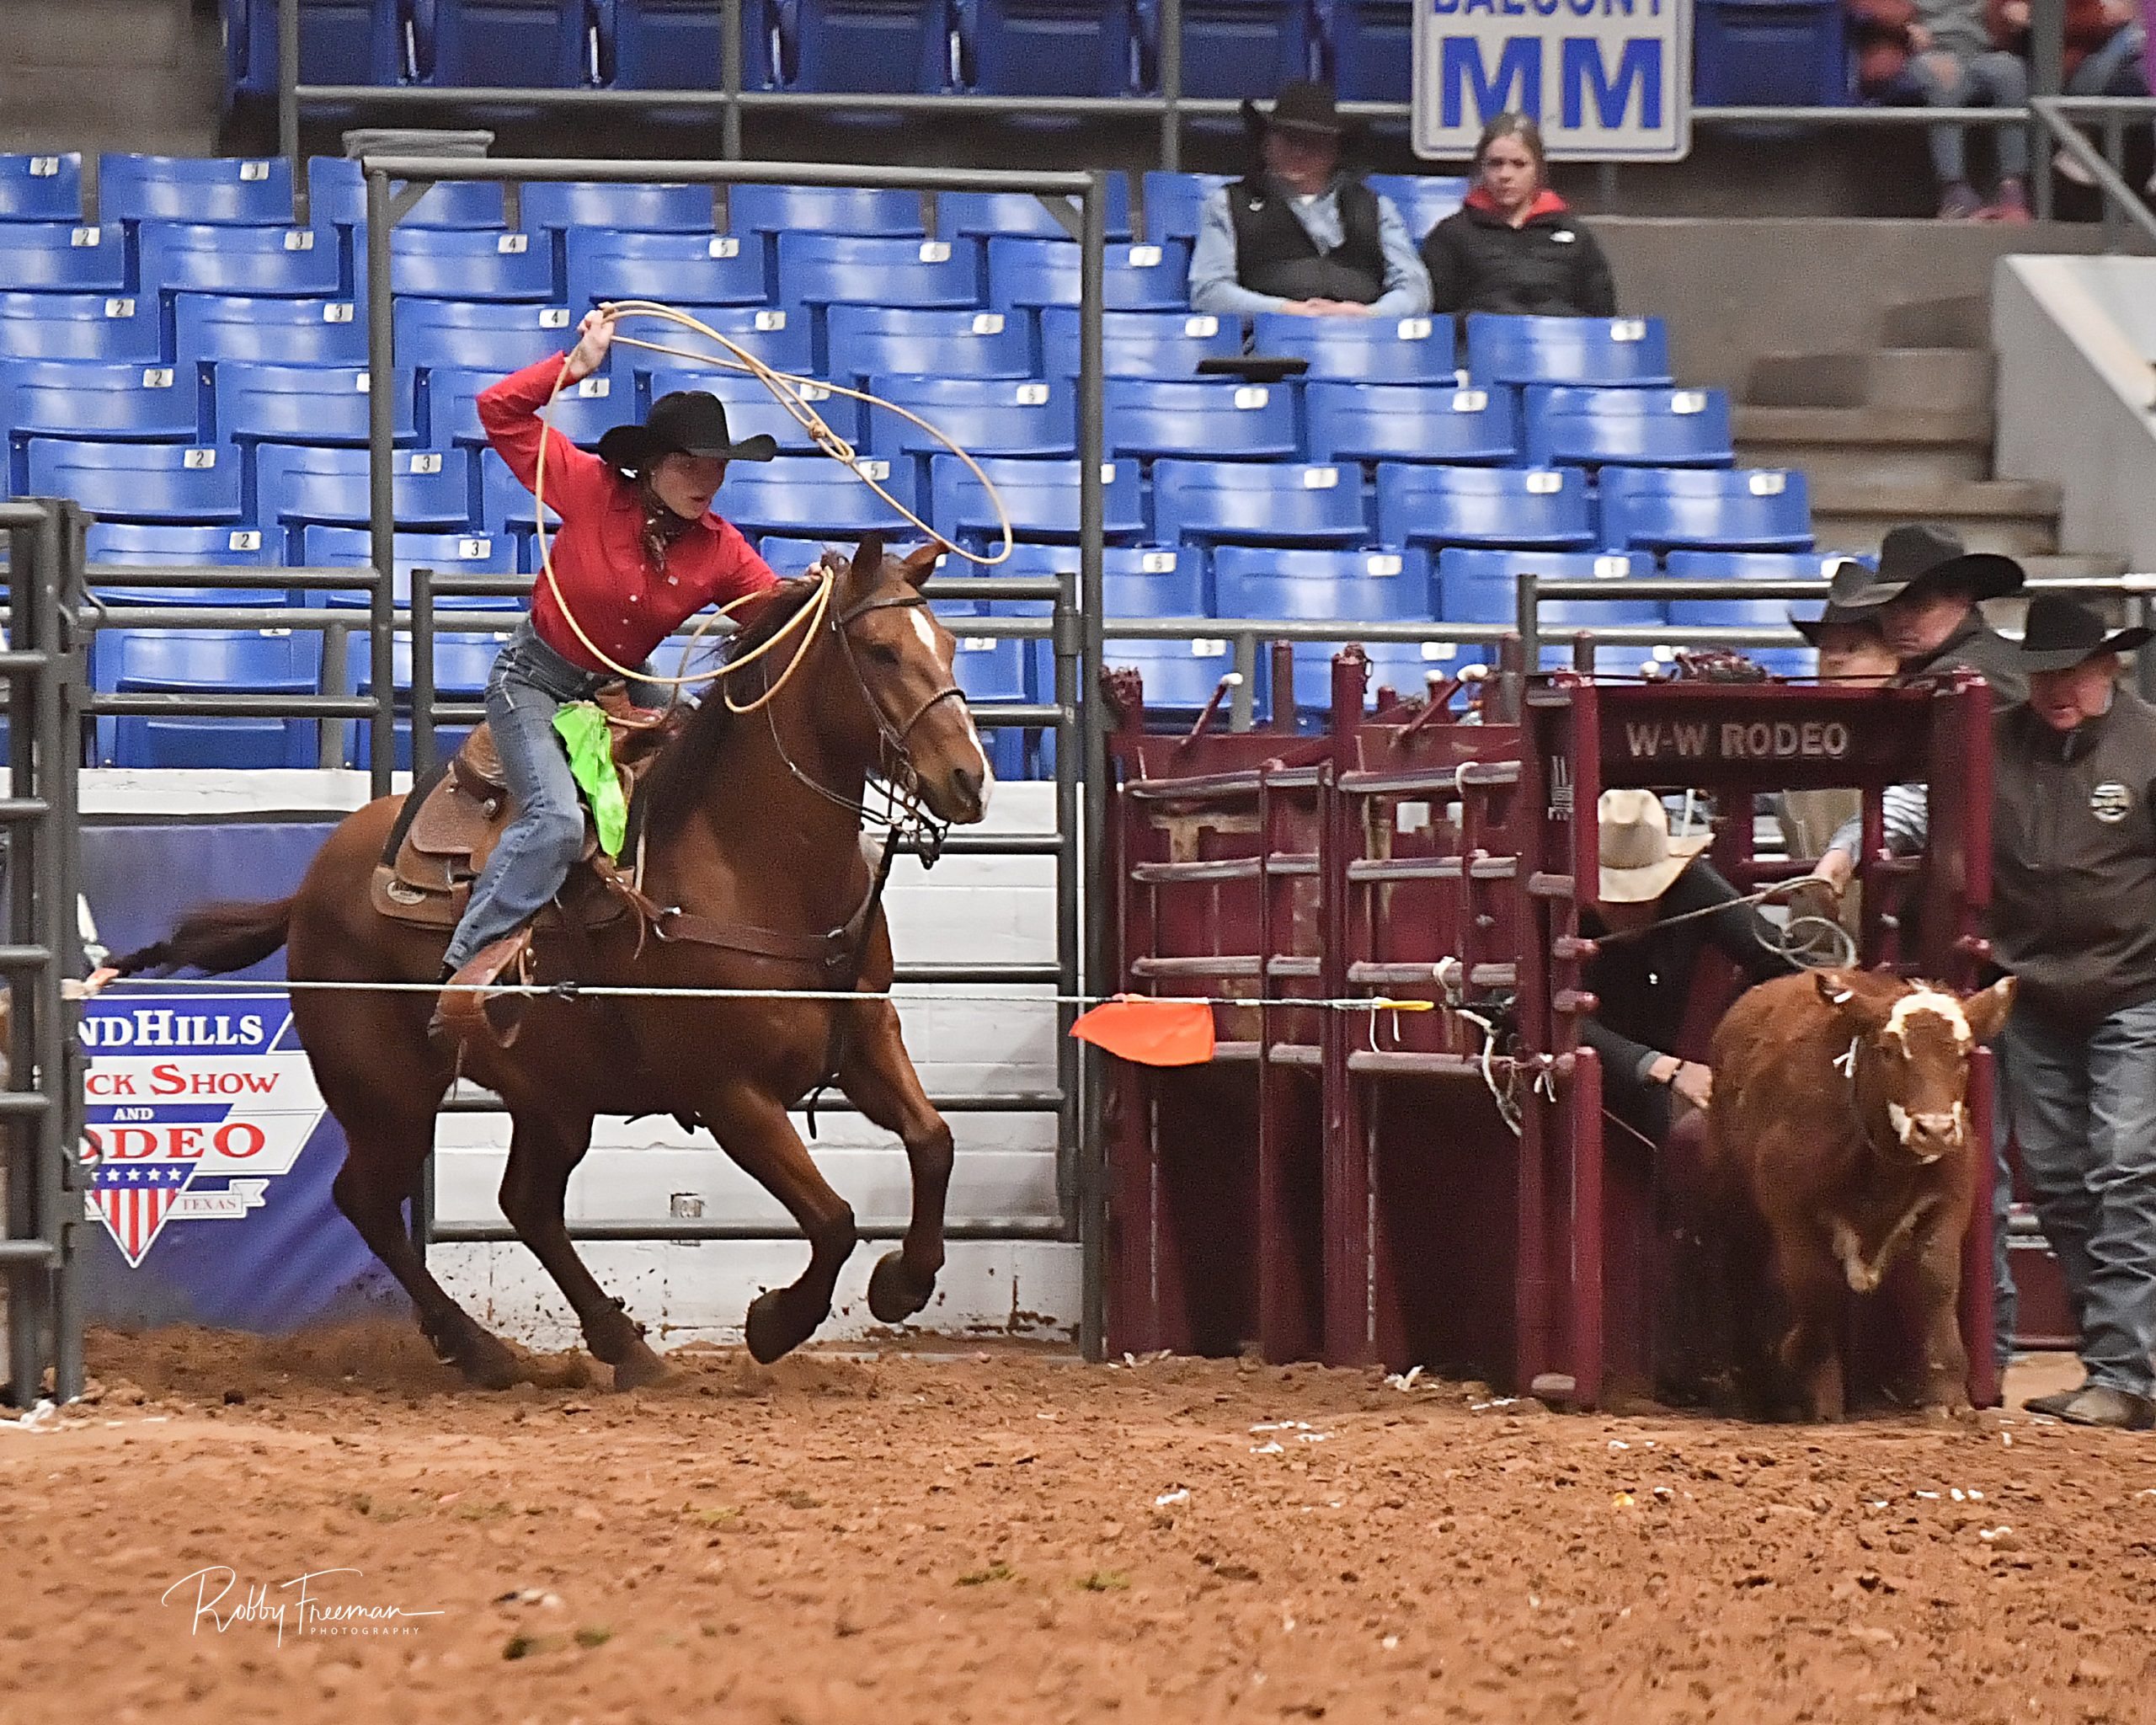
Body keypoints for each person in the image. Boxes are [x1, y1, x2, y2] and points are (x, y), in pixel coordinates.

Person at [435, 308, 781, 1001]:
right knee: (557, 820)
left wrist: (826, 596)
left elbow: (774, 619)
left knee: (706, 768)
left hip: (623, 685)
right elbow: (499, 411)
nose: (705, 479)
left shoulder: (721, 549)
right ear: (651, 466)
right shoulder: (591, 488)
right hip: (533, 679)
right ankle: (466, 963)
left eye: (716, 466)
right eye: (688, 464)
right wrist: (575, 367)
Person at [1986, 598, 2156, 1429]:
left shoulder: (2149, 744)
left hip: (2136, 988)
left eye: (2072, 671)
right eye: (2042, 671)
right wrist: (1843, 846)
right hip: (2035, 992)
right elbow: (1919, 802)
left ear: (2109, 668)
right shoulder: (1990, 741)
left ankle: (2125, 1368)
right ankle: (2120, 1362)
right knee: (2057, 1178)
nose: (2055, 687)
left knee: (2122, 1168)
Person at [1581, 790, 1798, 1146]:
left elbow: (1780, 961)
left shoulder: (1693, 887)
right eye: (1615, 899)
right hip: (1578, 1076)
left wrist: (1739, 1045)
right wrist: (1664, 1067)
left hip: (1663, 1067)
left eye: (1641, 897)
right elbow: (1534, 1010)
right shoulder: (1555, 904)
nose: (1627, 911)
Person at [1187, 80, 1431, 321]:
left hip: (1364, 343)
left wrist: (1369, 314)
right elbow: (1209, 293)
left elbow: (1416, 290)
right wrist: (1286, 311)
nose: (1298, 152)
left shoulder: (1377, 207)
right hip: (1265, 348)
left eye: (1312, 141)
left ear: (1335, 150)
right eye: (1288, 139)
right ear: (1266, 144)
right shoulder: (1227, 204)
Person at [1418, 113, 1617, 318]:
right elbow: (1438, 321)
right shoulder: (1450, 235)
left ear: (1538, 170)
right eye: (1495, 163)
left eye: (1519, 164)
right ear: (1481, 168)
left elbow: (1602, 319)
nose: (1505, 175)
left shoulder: (1575, 236)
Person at [1850, 0, 2033, 220]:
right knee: (1944, 75)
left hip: (1979, 52)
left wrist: (2015, 11)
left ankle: (2013, 191)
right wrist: (1905, 27)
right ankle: (1954, 192)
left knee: (2010, 70)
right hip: (1916, 53)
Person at [1991, 0, 2153, 192]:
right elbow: (2044, 21)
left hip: (2112, 68)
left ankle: (2079, 136)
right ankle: (2076, 134)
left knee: (2136, 51)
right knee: (2132, 37)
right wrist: (2101, 16)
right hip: (2059, 73)